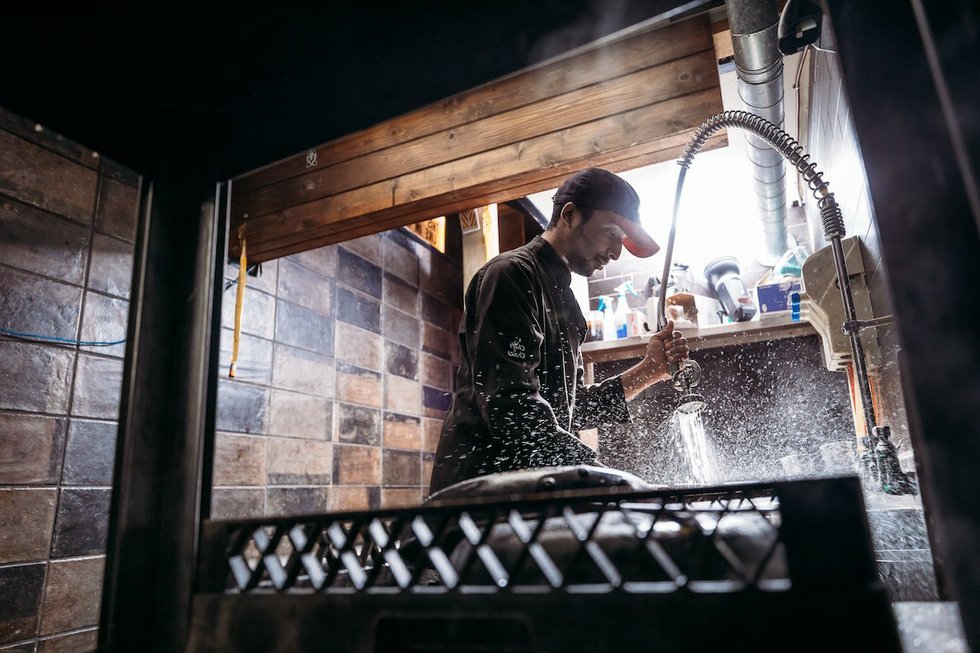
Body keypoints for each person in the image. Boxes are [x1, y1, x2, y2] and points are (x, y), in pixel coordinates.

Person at [428, 167, 690, 495]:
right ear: (570, 215)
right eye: (611, 233)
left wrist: (649, 371)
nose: (616, 252)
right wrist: (612, 481)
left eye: (622, 240)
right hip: (479, 499)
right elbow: (515, 412)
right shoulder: (511, 276)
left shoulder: (568, 305)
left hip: (524, 496)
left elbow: (572, 408)